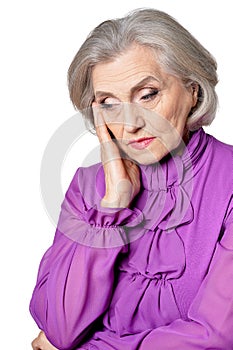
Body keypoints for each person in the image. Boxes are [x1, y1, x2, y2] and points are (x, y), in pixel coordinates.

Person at [30, 8, 233, 350]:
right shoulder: (89, 187)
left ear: (193, 90)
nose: (130, 123)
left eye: (147, 94)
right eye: (108, 103)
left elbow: (216, 337)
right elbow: (58, 326)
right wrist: (111, 208)